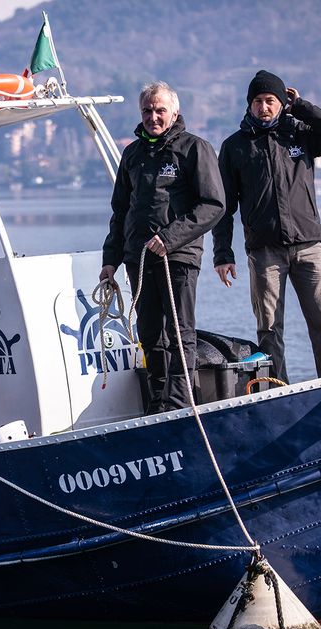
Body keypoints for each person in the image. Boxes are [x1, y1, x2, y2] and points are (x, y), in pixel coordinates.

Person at [212, 70, 321, 383]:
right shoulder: (235, 147)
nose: (264, 107)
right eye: (258, 101)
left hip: (309, 248)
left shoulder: (300, 134)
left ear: (281, 103)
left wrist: (301, 106)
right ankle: (277, 389)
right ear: (249, 105)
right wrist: (223, 253)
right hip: (265, 255)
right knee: (269, 330)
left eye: (271, 101)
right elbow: (224, 207)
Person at [100, 81, 225, 414]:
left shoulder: (194, 149)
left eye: (159, 110)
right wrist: (110, 260)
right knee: (150, 333)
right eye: (147, 111)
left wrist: (170, 238)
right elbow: (120, 211)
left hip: (178, 258)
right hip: (138, 260)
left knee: (179, 331)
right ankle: (158, 402)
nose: (153, 116)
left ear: (174, 112)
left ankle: (181, 400)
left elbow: (213, 205)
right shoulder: (132, 154)